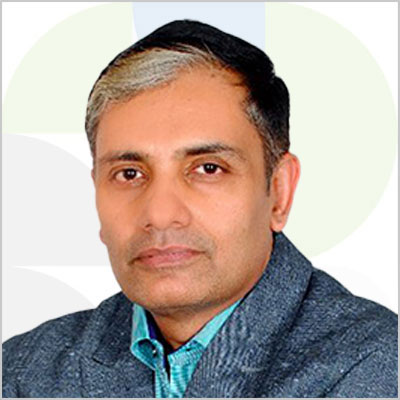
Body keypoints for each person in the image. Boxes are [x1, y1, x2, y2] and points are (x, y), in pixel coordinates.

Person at [2, 20, 397, 398]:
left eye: (208, 169)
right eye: (129, 174)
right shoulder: (23, 372)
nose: (160, 214)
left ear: (279, 191)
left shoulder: (376, 366)